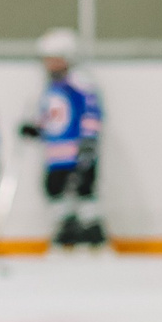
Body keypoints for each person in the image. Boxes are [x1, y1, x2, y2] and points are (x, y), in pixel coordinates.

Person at [20, 26, 106, 250]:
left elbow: (92, 112)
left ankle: (93, 229)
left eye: (55, 59)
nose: (50, 64)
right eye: (47, 59)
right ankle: (68, 227)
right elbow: (49, 116)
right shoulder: (49, 87)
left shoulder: (80, 83)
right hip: (55, 153)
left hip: (77, 149)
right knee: (53, 188)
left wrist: (89, 140)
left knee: (84, 188)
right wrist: (34, 128)